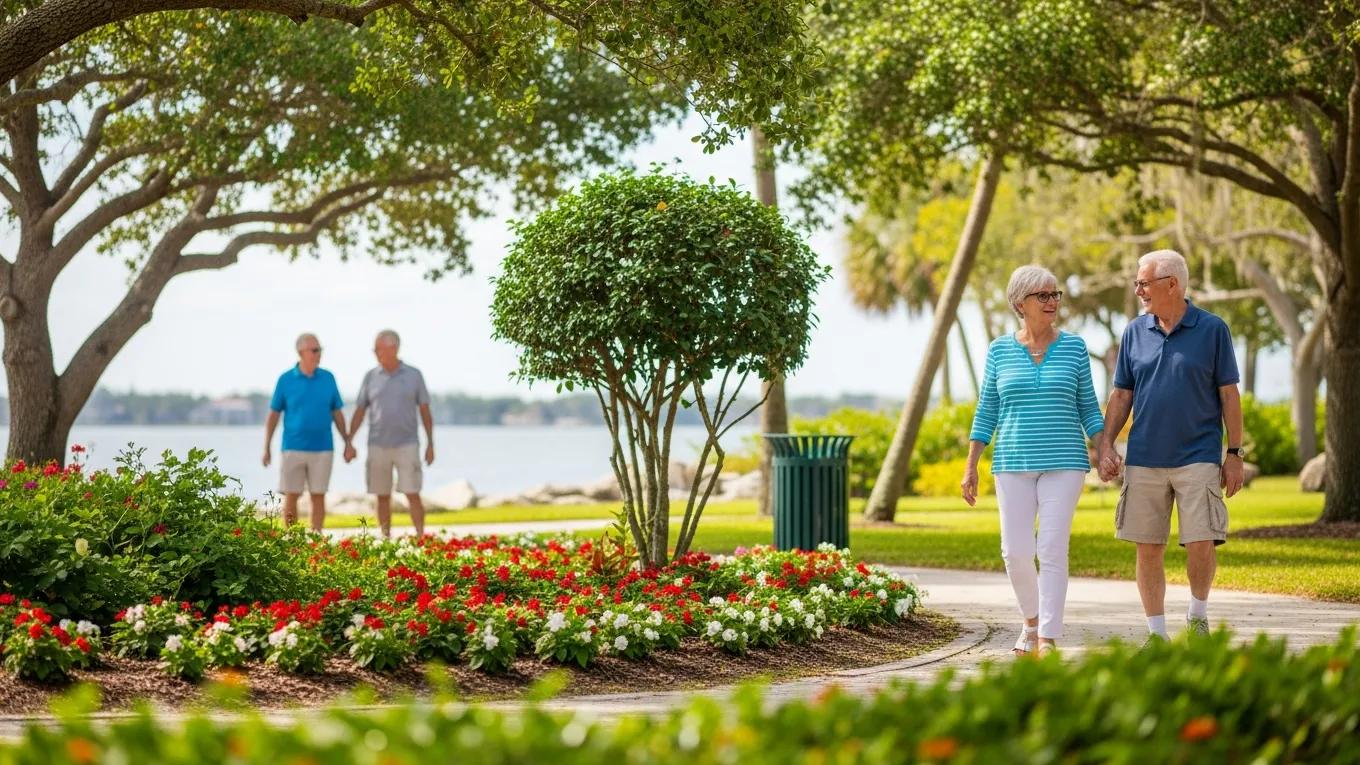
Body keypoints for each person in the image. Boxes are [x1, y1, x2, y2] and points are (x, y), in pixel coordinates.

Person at [1097, 249, 1243, 643]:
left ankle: (1197, 620)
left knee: (1201, 539)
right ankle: (1156, 635)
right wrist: (1107, 445)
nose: (1139, 290)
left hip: (1197, 455)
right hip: (1144, 458)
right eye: (1138, 283)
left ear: (1172, 284)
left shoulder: (1213, 329)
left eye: (1144, 283)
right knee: (1147, 548)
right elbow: (1121, 394)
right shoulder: (1133, 332)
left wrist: (1234, 454)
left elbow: (1229, 395)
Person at [963, 265, 1104, 657]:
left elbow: (1088, 407)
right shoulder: (999, 350)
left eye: (1055, 294)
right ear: (1019, 303)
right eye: (1043, 295)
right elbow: (986, 409)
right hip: (1011, 461)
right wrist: (971, 464)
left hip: (1065, 461)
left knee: (1053, 548)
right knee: (1015, 551)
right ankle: (1030, 622)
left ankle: (1048, 637)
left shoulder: (1074, 347)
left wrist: (1104, 447)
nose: (1052, 301)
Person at [346, 329, 434, 537]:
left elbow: (425, 411)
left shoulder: (414, 375)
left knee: (412, 493)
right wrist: (350, 441)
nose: (375, 352)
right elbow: (360, 411)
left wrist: (431, 444)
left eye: (378, 348)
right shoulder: (370, 377)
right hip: (377, 445)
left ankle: (421, 536)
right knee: (382, 495)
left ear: (393, 348)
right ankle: (385, 538)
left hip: (408, 444)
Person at [263, 333, 349, 531]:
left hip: (323, 448)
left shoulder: (328, 378)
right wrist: (266, 447)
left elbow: (337, 412)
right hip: (293, 447)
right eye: (315, 350)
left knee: (318, 495)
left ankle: (316, 538)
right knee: (292, 494)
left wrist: (347, 442)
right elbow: (274, 415)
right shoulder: (285, 380)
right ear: (301, 352)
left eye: (320, 350)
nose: (319, 354)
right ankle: (292, 539)